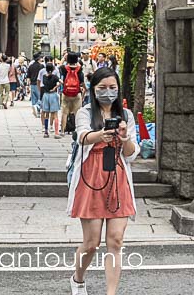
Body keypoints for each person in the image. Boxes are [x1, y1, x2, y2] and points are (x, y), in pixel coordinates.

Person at [67, 67, 139, 295]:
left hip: (117, 178)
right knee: (92, 242)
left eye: (112, 88)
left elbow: (131, 153)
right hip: (91, 178)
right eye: (102, 88)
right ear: (93, 89)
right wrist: (102, 135)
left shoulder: (125, 115)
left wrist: (124, 136)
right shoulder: (86, 112)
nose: (108, 93)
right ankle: (77, 279)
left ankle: (111, 292)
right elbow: (82, 137)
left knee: (115, 241)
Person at [57, 51, 86, 138]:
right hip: (77, 93)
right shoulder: (80, 69)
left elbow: (58, 67)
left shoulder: (63, 68)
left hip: (66, 93)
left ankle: (62, 130)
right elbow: (81, 82)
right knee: (77, 113)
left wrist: (63, 58)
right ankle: (77, 129)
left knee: (64, 113)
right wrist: (86, 89)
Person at [39, 61, 61, 138]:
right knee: (55, 114)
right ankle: (56, 132)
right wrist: (55, 88)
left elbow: (42, 84)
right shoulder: (55, 77)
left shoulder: (44, 76)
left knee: (46, 114)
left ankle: (46, 131)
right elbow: (61, 82)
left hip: (46, 95)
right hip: (53, 95)